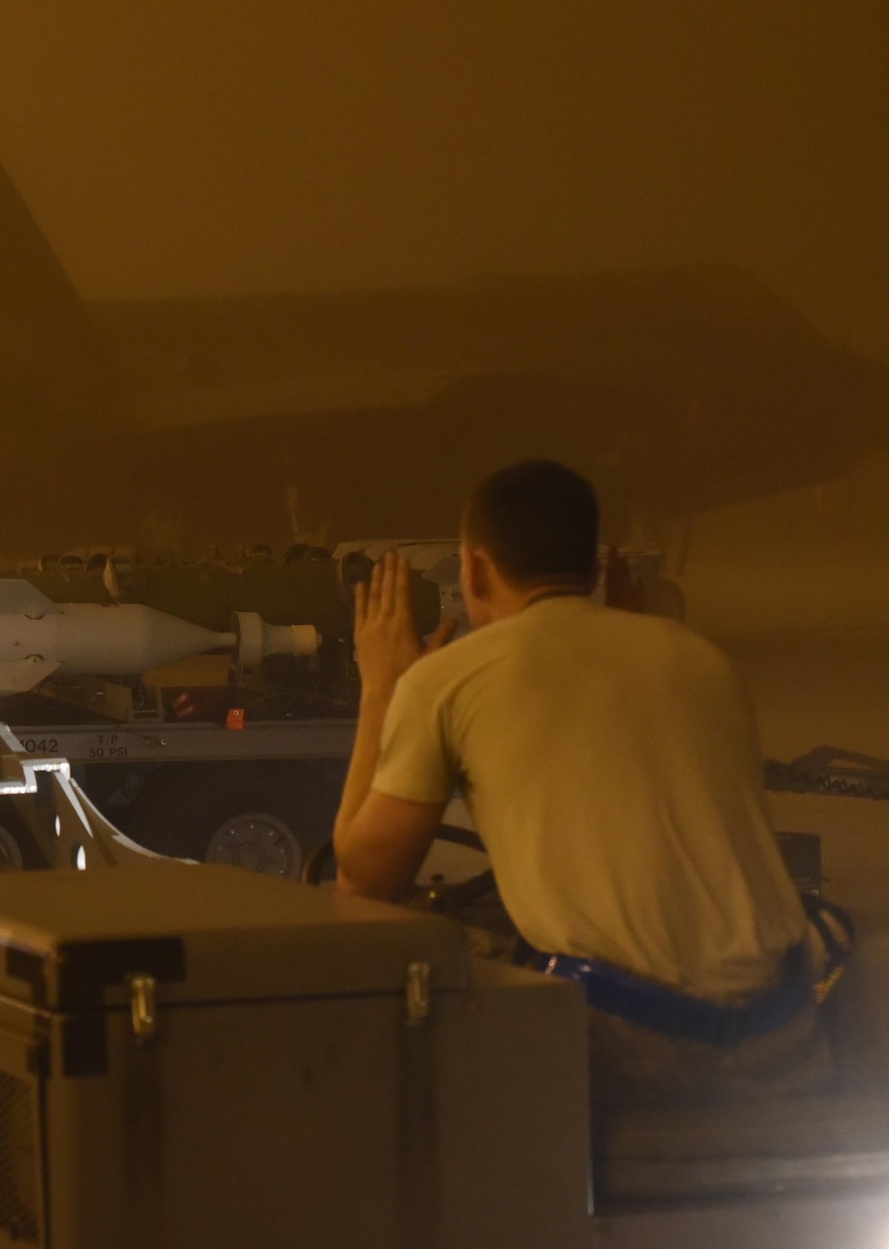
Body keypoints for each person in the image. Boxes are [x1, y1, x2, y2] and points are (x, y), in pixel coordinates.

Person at [332, 460, 825, 1106]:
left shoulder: (447, 679)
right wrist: (638, 630)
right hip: (785, 1028)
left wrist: (382, 690)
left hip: (632, 1043)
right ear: (593, 571)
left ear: (474, 571)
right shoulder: (700, 658)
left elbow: (364, 880)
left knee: (414, 968)